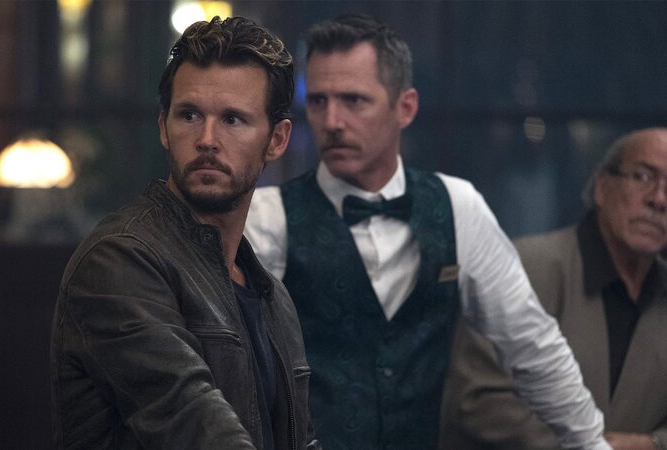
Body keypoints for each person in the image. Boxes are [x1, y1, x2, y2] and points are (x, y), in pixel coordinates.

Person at [244, 13, 610, 450]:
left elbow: (532, 345)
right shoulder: (267, 216)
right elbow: (233, 369)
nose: (332, 120)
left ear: (406, 107)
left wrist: (592, 444)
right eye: (319, 101)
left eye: (354, 100)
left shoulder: (457, 205)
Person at [51, 16, 320, 450]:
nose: (207, 139)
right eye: (189, 115)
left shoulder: (272, 296)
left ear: (277, 139)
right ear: (163, 126)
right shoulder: (119, 260)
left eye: (232, 119)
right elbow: (192, 422)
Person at [440, 128, 667, 450]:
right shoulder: (524, 267)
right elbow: (479, 400)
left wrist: (654, 444)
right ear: (602, 186)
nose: (659, 199)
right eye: (643, 177)